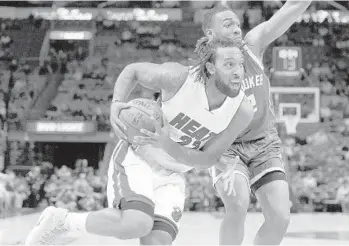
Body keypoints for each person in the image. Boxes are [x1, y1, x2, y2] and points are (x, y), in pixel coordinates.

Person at [25, 38, 254, 246]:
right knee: (136, 223)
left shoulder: (242, 110)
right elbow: (132, 71)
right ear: (211, 68)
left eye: (241, 64)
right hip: (139, 157)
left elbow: (208, 159)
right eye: (229, 64)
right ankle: (62, 220)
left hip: (174, 174)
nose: (238, 72)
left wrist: (170, 145)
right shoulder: (179, 78)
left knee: (157, 242)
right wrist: (116, 102)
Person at [198, 1, 312, 245]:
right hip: (228, 146)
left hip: (264, 143)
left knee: (281, 217)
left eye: (237, 23)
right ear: (211, 34)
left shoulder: (251, 45)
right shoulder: (202, 74)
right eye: (227, 24)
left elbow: (288, 11)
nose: (236, 28)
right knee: (238, 204)